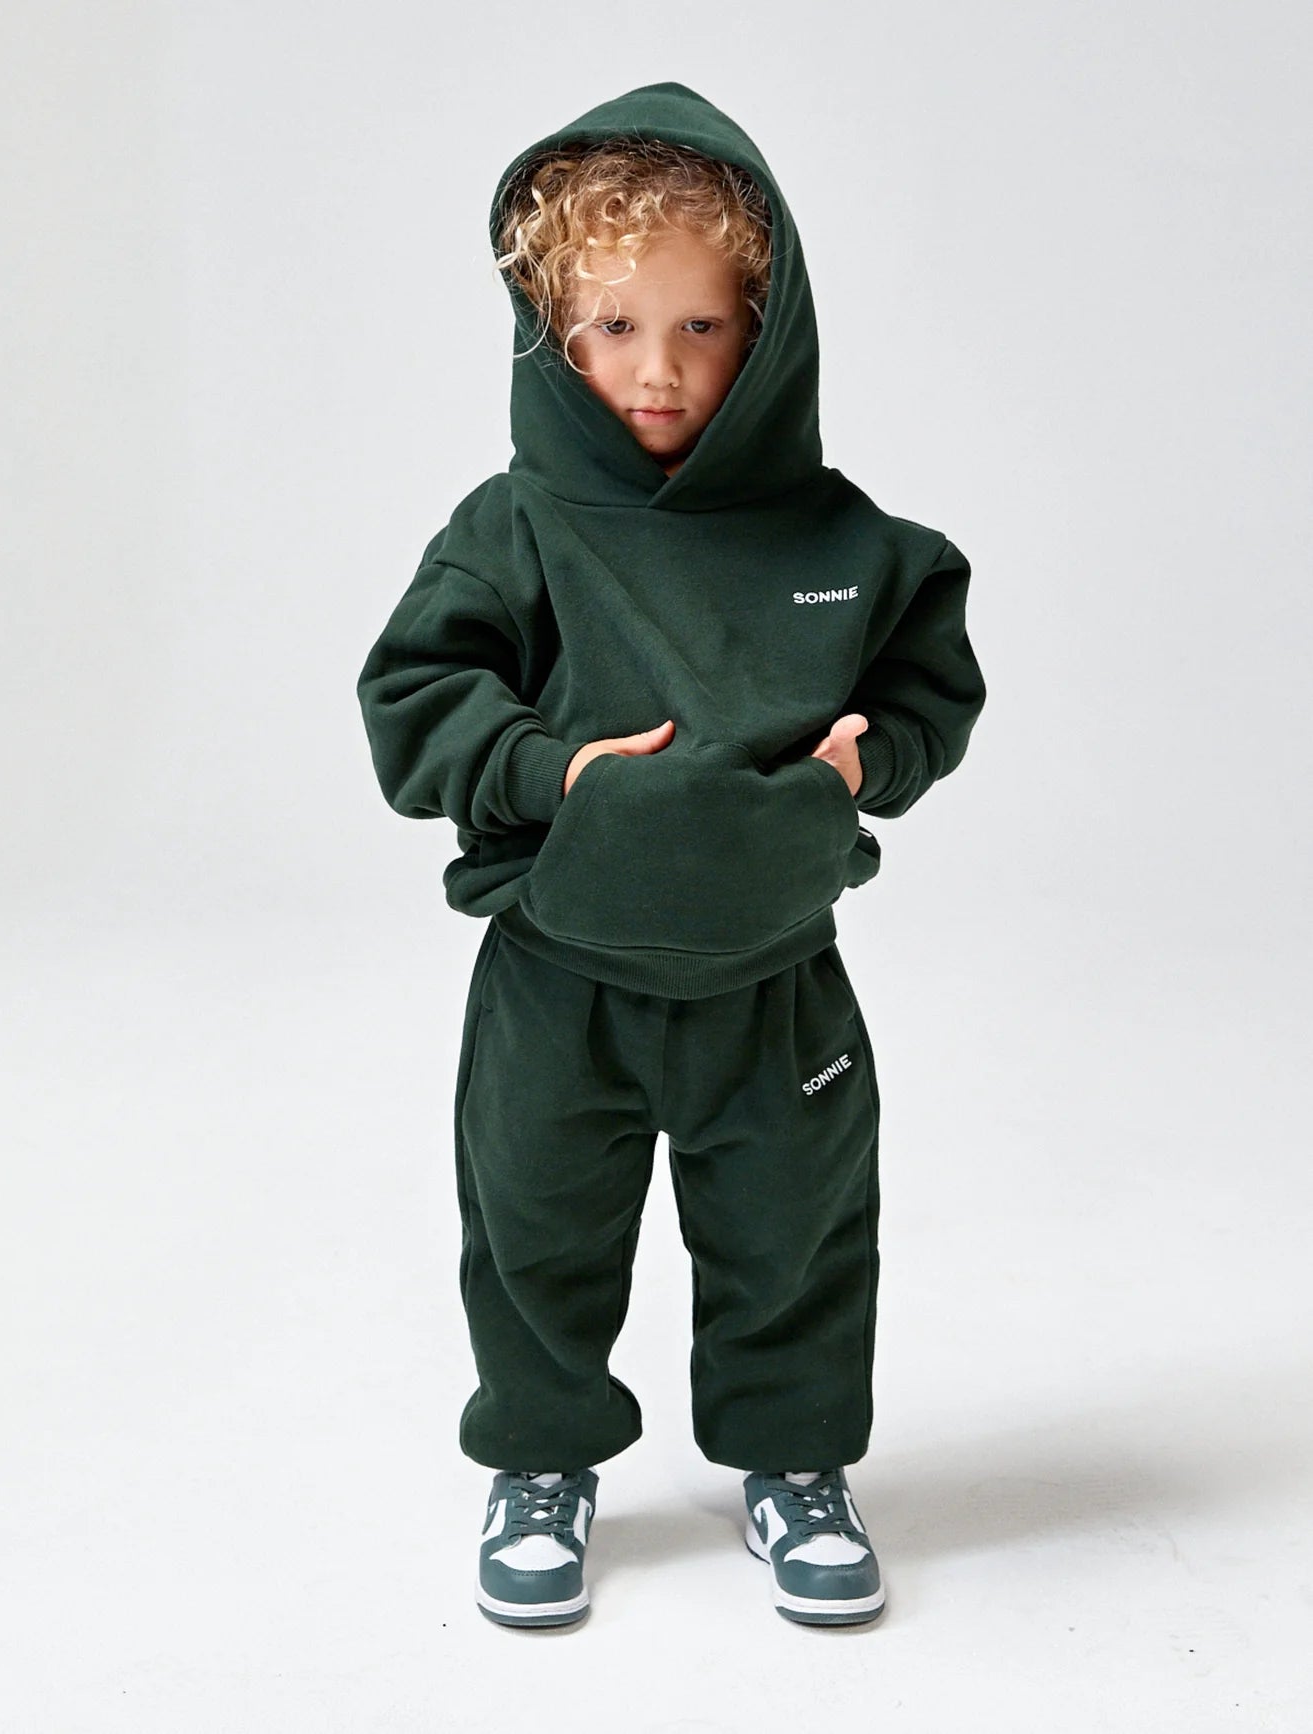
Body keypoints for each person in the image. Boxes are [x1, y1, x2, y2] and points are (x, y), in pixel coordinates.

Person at [357, 80, 987, 1630]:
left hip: (775, 981)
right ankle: (541, 1459)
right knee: (533, 1233)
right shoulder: (514, 526)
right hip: (555, 978)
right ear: (550, 334)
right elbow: (413, 699)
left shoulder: (839, 539)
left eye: (700, 328)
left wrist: (868, 762)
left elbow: (930, 684)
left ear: (762, 329)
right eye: (613, 328)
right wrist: (550, 770)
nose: (656, 368)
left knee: (795, 1236)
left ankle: (792, 1461)